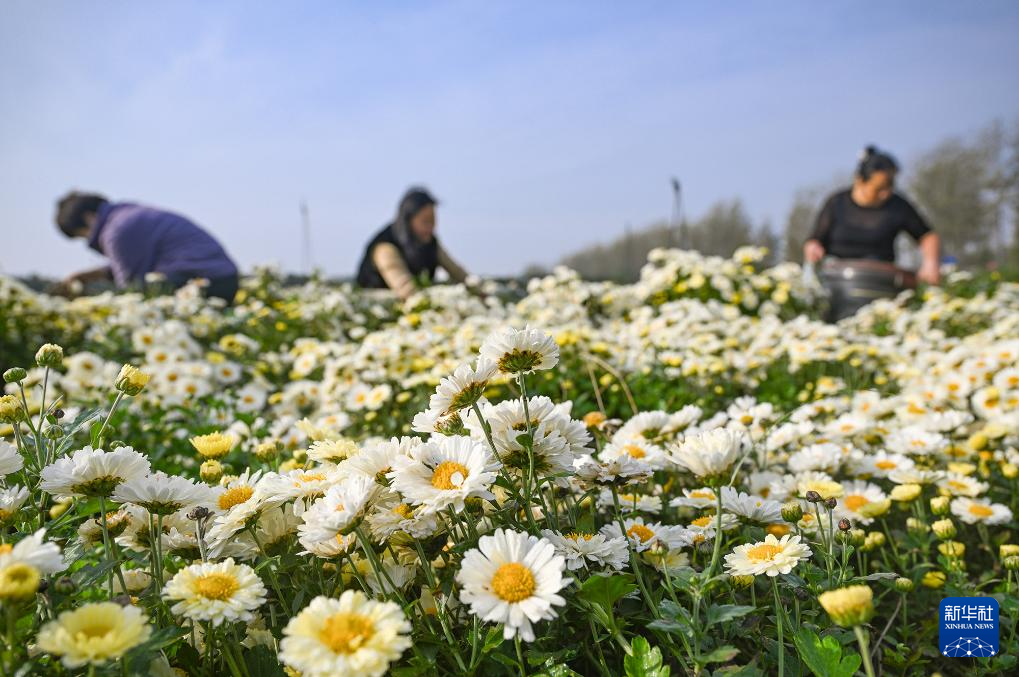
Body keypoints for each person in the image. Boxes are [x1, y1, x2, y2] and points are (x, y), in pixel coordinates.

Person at [52, 191, 240, 303]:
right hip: (223, 277)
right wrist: (86, 277)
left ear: (89, 218)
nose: (88, 242)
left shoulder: (115, 231)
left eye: (82, 235)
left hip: (198, 283)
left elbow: (130, 289)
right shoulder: (127, 215)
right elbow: (134, 264)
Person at [804, 146, 941, 285]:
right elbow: (815, 240)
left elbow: (927, 236)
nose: (885, 193)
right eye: (879, 189)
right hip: (837, 279)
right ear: (859, 181)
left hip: (881, 281)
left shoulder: (898, 206)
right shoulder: (836, 203)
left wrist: (930, 263)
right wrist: (813, 249)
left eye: (890, 186)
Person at [356, 187, 470, 299]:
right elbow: (405, 289)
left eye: (433, 221)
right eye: (425, 221)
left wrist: (476, 287)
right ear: (408, 220)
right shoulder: (384, 247)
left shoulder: (431, 242)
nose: (431, 228)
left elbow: (459, 274)